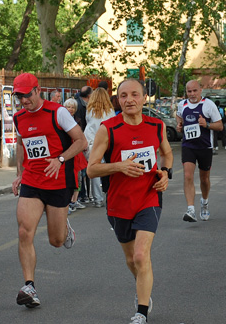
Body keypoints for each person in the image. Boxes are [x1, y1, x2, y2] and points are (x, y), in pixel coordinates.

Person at [87, 79, 173, 324]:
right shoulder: (109, 129)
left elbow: (167, 153)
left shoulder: (157, 126)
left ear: (144, 98)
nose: (129, 100)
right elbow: (91, 170)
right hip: (119, 202)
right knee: (130, 259)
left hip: (149, 197)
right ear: (118, 100)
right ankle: (142, 288)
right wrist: (119, 166)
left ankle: (141, 310)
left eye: (135, 94)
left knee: (139, 255)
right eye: (123, 95)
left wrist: (166, 172)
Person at [11, 73, 87, 308]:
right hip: (33, 181)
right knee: (25, 231)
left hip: (57, 181)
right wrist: (19, 174)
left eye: (27, 95)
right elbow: (22, 146)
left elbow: (81, 142)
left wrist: (61, 159)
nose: (24, 100)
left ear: (37, 90)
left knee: (56, 241)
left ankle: (64, 229)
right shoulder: (19, 118)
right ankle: (29, 286)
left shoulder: (58, 112)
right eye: (19, 96)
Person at [176, 80, 223, 222]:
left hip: (205, 147)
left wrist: (207, 124)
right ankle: (190, 209)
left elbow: (220, 126)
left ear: (200, 90)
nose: (192, 94)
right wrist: (179, 124)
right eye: (189, 91)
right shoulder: (182, 104)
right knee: (188, 175)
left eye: (194, 90)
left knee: (204, 179)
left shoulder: (208, 105)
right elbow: (179, 115)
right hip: (188, 146)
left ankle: (204, 202)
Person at [84, 87, 115, 208]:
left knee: (94, 169)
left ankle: (97, 198)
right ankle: (109, 194)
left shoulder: (90, 110)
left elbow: (88, 124)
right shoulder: (110, 111)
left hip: (92, 140)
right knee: (108, 168)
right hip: (107, 140)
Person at [63, 98, 87, 214]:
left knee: (79, 176)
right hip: (67, 152)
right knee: (70, 177)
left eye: (73, 107)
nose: (71, 109)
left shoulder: (77, 120)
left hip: (77, 152)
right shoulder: (61, 120)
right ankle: (67, 202)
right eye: (68, 107)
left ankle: (74, 200)